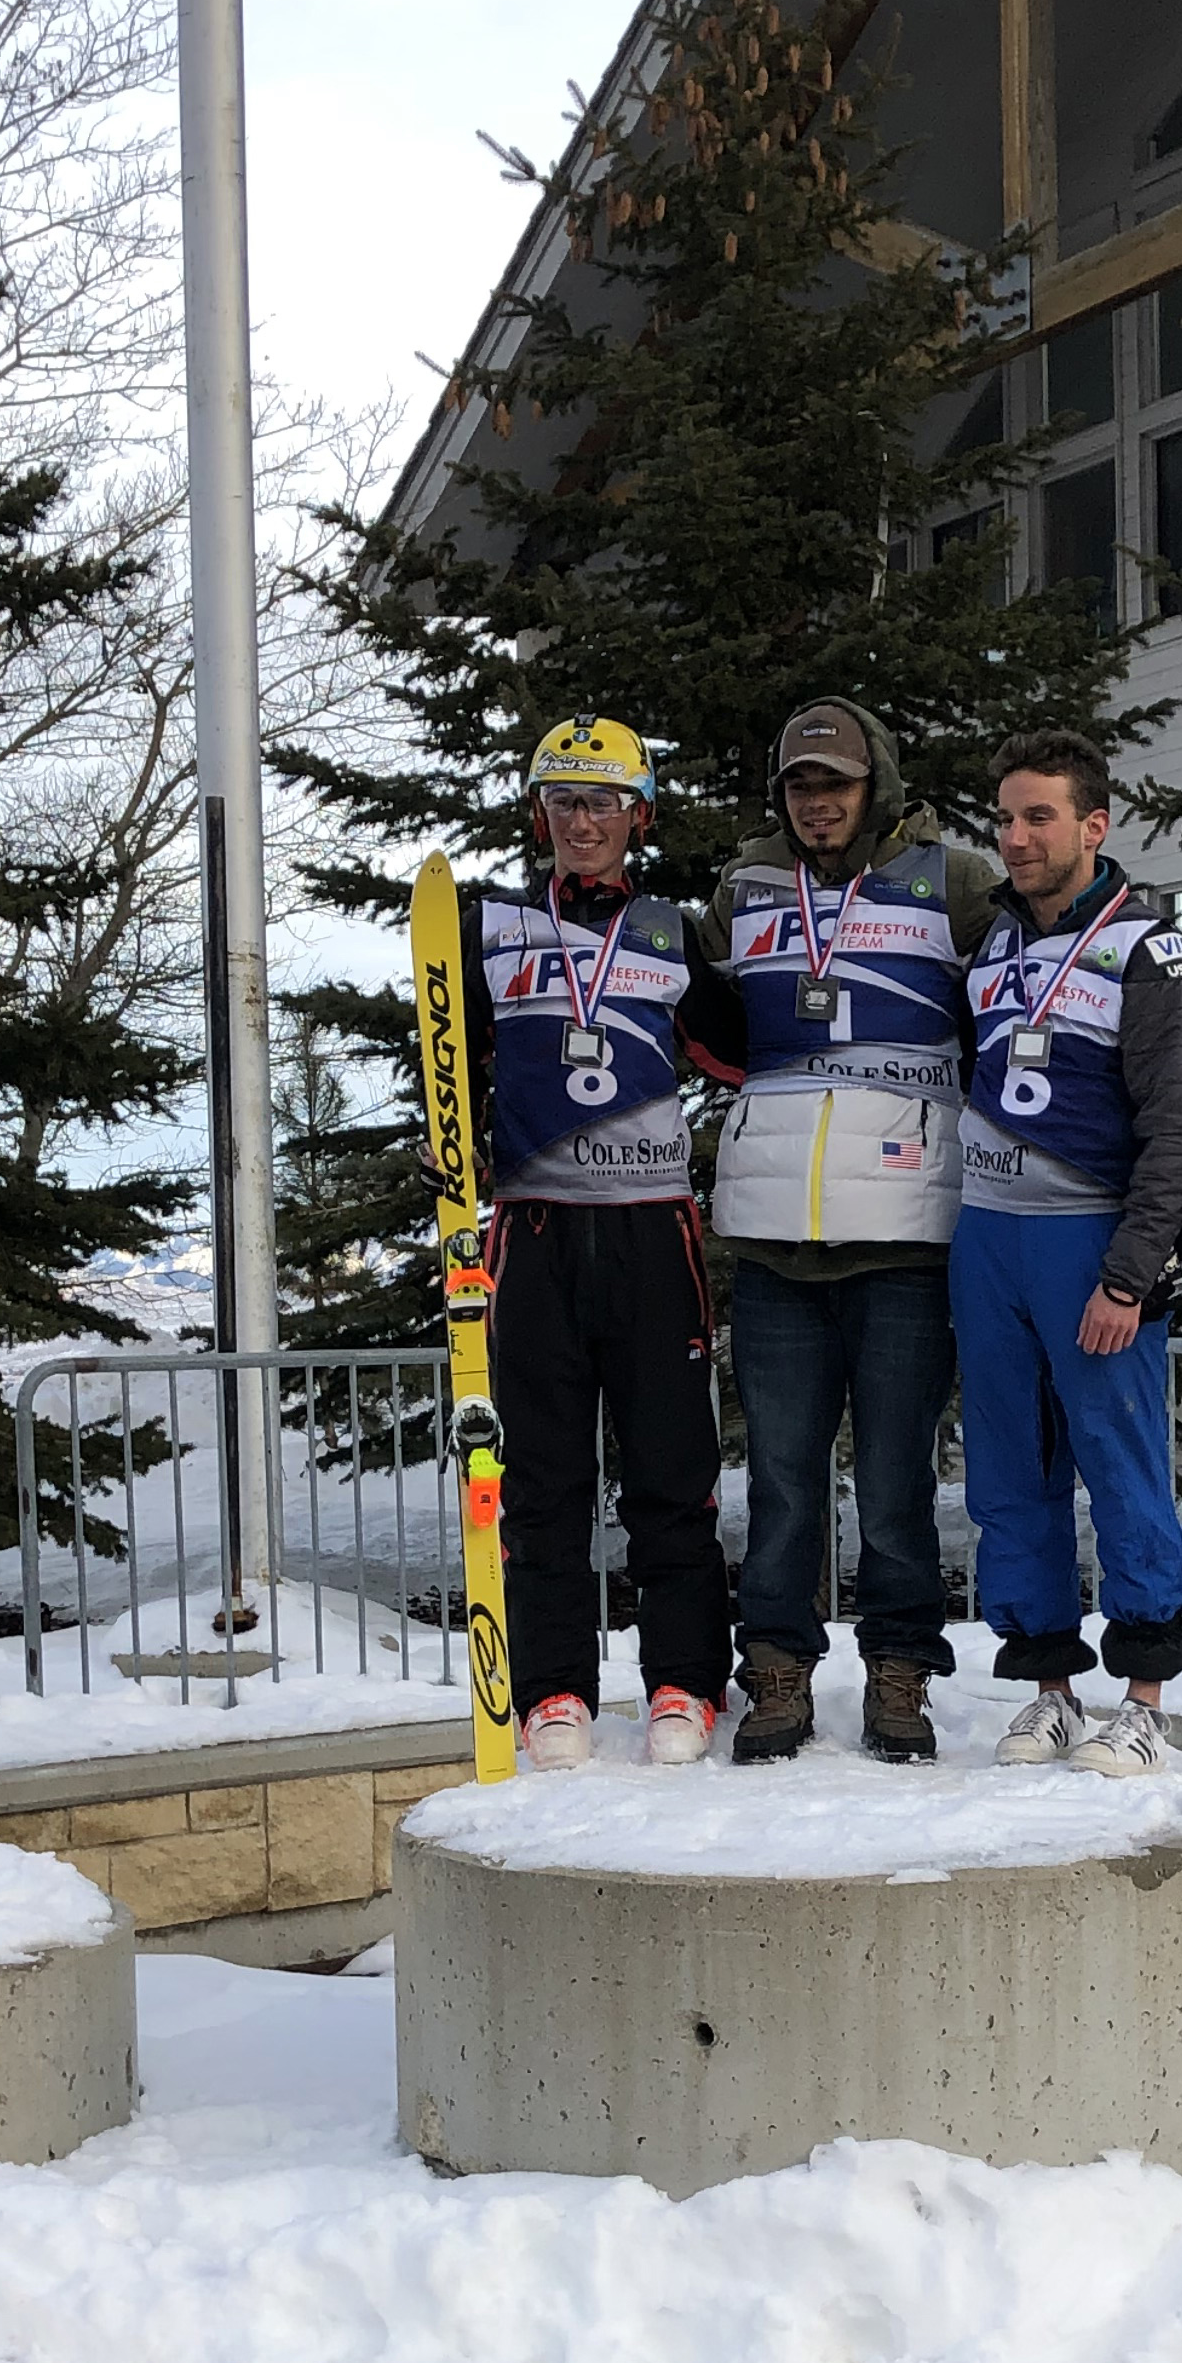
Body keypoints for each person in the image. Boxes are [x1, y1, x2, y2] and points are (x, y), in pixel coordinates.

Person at [700, 696, 998, 1764]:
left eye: (836, 782)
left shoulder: (950, 880)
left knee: (896, 1481)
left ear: (877, 781)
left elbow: (1033, 976)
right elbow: (685, 1013)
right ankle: (775, 1674)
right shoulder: (742, 888)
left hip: (906, 1238)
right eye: (799, 785)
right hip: (775, 1237)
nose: (818, 802)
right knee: (779, 1478)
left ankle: (900, 1674)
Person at [464, 715, 733, 1768]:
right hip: (535, 1231)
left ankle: (681, 1681)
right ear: (541, 815)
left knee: (673, 1469)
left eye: (603, 802)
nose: (584, 821)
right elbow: (447, 1064)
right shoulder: (489, 928)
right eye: (565, 801)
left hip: (652, 1232)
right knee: (541, 1477)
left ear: (639, 816)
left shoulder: (672, 931)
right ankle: (555, 1687)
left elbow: (745, 1052)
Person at [951, 726, 1182, 1772]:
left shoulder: (1149, 950)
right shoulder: (993, 946)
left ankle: (1143, 1699)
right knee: (1012, 1469)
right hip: (989, 1236)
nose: (1014, 837)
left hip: (1089, 1242)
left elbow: (1176, 1129)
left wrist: (1129, 1275)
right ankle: (1051, 1689)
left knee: (1121, 1462)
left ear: (1094, 827)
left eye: (1038, 817)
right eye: (1005, 817)